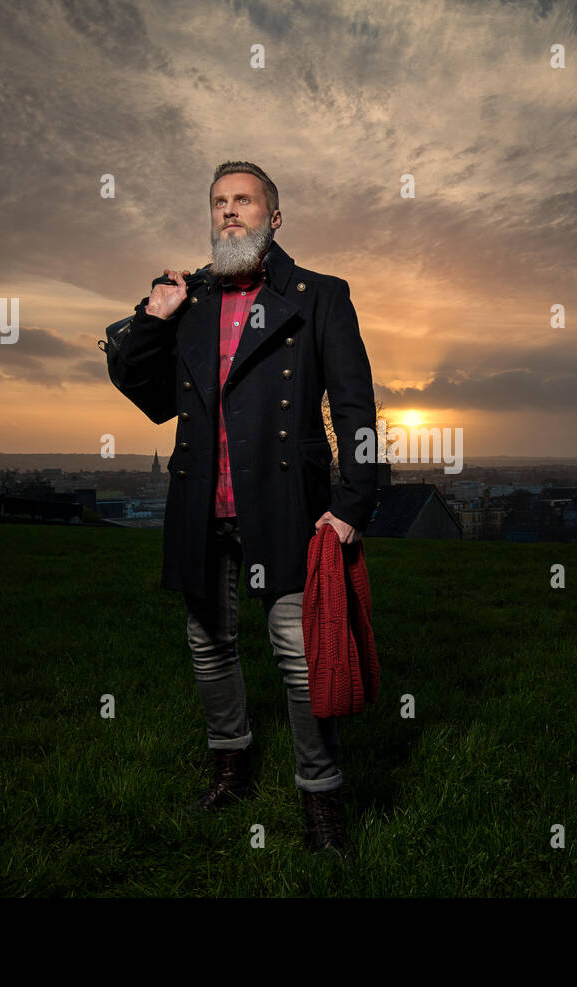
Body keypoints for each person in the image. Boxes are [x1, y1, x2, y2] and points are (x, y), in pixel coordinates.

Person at [105, 161, 378, 860]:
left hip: (287, 507)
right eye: (220, 202)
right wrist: (150, 319)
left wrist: (351, 503)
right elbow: (150, 395)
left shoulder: (320, 297)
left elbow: (355, 410)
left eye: (245, 201)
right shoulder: (188, 299)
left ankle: (320, 799)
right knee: (208, 642)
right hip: (201, 505)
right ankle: (230, 767)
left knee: (300, 658)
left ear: (274, 217)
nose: (230, 212)